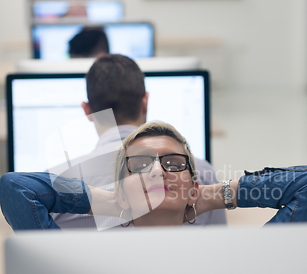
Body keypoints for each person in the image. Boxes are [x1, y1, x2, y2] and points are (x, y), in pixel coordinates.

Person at [0, 121, 307, 231]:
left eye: (173, 163)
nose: (158, 170)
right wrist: (113, 201)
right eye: (141, 165)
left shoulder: (232, 260)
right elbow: (16, 188)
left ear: (193, 183)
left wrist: (213, 195)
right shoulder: (82, 264)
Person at [51, 54, 227, 229]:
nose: (158, 173)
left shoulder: (54, 184)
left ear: (87, 110)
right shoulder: (203, 173)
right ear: (145, 102)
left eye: (173, 165)